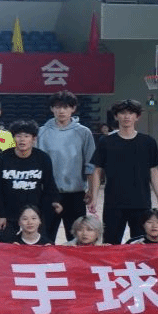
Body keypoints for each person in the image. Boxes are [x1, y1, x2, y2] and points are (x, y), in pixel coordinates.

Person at [88, 99, 158, 245]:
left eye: (131, 113)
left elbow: (153, 171)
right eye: (122, 113)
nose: (126, 116)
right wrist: (94, 197)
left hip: (141, 203)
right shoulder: (106, 142)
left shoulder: (148, 142)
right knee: (110, 244)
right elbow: (97, 171)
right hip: (114, 203)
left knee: (140, 245)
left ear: (137, 117)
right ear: (116, 116)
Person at [37, 90, 96, 243]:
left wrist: (91, 190)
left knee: (77, 239)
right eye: (57, 107)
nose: (61, 111)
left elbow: (90, 165)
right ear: (52, 109)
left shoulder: (84, 132)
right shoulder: (41, 132)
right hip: (49, 194)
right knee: (45, 238)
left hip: (75, 194)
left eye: (66, 107)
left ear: (73, 109)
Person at [0, 119, 61, 242]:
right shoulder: (1, 159)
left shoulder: (42, 158)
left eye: (26, 136)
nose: (22, 140)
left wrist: (55, 200)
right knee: (5, 246)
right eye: (18, 136)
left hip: (34, 213)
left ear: (34, 139)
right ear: (13, 138)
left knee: (37, 246)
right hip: (8, 213)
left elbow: (49, 183)